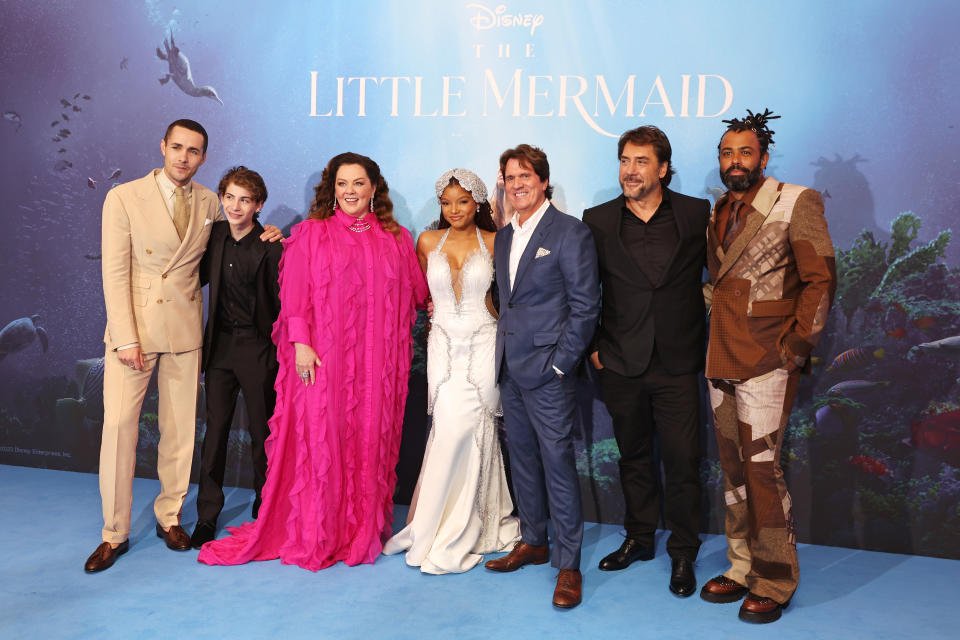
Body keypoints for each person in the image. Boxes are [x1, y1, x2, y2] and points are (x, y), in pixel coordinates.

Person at [198, 152, 428, 571]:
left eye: (359, 183)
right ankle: (321, 527)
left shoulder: (396, 238)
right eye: (343, 184)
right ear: (332, 189)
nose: (351, 192)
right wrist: (301, 344)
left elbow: (420, 294)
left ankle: (359, 527)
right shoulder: (310, 234)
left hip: (377, 368)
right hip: (322, 362)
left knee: (369, 439)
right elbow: (295, 298)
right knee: (324, 440)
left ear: (375, 188)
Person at [86, 119, 281, 573]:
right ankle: (113, 533)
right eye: (177, 148)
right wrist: (127, 337)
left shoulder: (211, 201)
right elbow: (113, 274)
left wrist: (267, 232)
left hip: (186, 330)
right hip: (134, 331)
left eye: (193, 151)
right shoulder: (123, 197)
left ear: (203, 158)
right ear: (162, 147)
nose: (183, 158)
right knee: (118, 428)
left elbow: (237, 233)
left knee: (179, 432)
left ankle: (169, 516)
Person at [700, 109, 836, 623]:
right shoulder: (718, 210)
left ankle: (775, 580)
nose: (735, 161)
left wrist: (796, 347)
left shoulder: (795, 200)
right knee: (733, 471)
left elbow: (820, 279)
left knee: (761, 471)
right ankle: (740, 567)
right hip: (722, 356)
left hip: (767, 360)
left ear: (764, 157)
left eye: (745, 152)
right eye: (727, 153)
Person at [583, 126, 709, 597]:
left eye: (640, 161)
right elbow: (583, 289)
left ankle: (683, 553)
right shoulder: (596, 219)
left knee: (682, 461)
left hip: (678, 360)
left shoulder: (697, 213)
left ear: (663, 168)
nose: (629, 170)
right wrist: (594, 345)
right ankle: (638, 538)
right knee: (633, 457)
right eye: (624, 160)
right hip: (620, 360)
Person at [383, 168, 520, 573]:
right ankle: (432, 524)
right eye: (446, 202)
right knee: (446, 429)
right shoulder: (426, 241)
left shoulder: (496, 241)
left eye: (462, 201)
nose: (454, 209)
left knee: (473, 428)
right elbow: (419, 292)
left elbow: (509, 295)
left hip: (483, 343)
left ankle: (470, 524)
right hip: (442, 346)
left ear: (476, 202)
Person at [483, 145, 600, 609]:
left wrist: (559, 364)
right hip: (510, 366)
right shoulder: (505, 235)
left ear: (544, 181)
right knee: (524, 459)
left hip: (549, 371)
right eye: (510, 177)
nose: (517, 184)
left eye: (526, 176)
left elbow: (585, 306)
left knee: (557, 465)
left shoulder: (571, 233)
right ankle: (533, 541)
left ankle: (567, 565)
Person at [189, 166, 282, 549]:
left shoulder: (272, 245)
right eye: (229, 197)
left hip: (258, 348)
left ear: (259, 205)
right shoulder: (213, 236)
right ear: (221, 198)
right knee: (215, 434)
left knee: (264, 436)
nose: (236, 206)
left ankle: (265, 509)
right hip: (220, 349)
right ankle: (207, 516)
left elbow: (284, 300)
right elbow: (189, 277)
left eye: (245, 200)